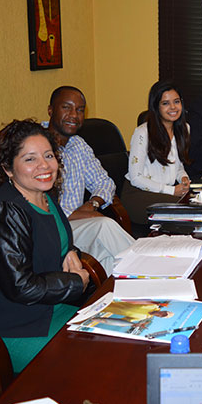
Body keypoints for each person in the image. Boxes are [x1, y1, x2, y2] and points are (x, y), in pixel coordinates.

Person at [0, 120, 91, 372]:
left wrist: (72, 252)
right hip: (5, 327)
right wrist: (75, 283)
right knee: (83, 365)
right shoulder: (4, 212)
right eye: (30, 159)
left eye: (48, 155)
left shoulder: (45, 195)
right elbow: (20, 287)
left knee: (108, 344)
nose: (44, 165)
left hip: (46, 309)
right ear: (8, 169)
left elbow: (49, 243)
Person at [45, 86, 135, 274]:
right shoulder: (38, 146)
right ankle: (153, 272)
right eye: (66, 108)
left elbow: (105, 182)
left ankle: (124, 298)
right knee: (104, 226)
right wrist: (73, 215)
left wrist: (92, 205)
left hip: (78, 225)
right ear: (51, 110)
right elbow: (38, 202)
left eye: (79, 110)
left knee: (109, 256)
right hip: (51, 230)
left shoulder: (78, 144)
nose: (73, 115)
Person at [121, 80, 191, 225]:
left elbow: (177, 166)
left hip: (165, 193)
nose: (173, 107)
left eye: (176, 101)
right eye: (165, 103)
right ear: (156, 106)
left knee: (198, 207)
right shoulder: (143, 133)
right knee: (188, 212)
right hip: (139, 194)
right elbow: (136, 178)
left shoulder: (184, 129)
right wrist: (171, 191)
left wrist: (183, 178)